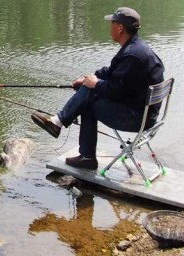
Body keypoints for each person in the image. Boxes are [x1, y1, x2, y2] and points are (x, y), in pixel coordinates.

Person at [31, 7, 164, 170]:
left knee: (89, 103)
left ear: (120, 28)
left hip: (137, 118)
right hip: (143, 112)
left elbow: (115, 90)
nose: (110, 28)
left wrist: (95, 84)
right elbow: (111, 73)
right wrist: (89, 78)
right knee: (91, 90)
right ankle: (62, 127)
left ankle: (77, 145)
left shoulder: (132, 55)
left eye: (112, 23)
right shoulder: (136, 48)